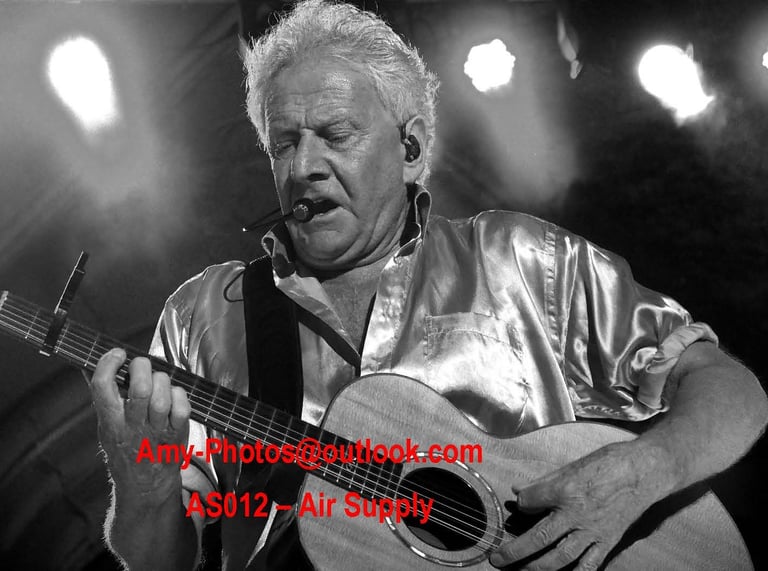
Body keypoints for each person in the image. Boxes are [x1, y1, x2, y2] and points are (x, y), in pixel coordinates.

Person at [89, 1, 767, 569]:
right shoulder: (204, 314)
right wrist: (142, 487)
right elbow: (160, 560)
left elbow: (731, 391)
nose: (303, 166)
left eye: (334, 135)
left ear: (410, 148)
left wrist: (644, 471)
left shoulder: (517, 257)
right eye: (284, 143)